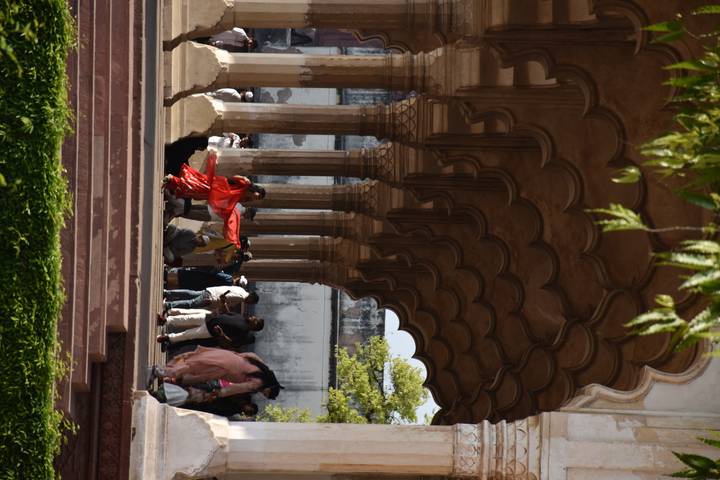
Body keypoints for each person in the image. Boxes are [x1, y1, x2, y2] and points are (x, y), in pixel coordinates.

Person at [163, 151, 265, 247]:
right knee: (194, 187)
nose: (255, 197)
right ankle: (172, 181)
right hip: (218, 190)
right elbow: (233, 179)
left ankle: (172, 186)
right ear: (256, 190)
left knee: (192, 190)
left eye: (258, 198)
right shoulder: (245, 186)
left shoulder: (243, 200)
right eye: (258, 195)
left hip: (215, 197)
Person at [151, 349, 283, 399]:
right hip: (223, 369)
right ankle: (160, 371)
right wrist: (218, 394)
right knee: (193, 368)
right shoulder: (258, 383)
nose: (263, 393)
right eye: (266, 393)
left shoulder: (261, 365)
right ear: (269, 387)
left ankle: (163, 370)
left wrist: (235, 359)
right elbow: (234, 389)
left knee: (194, 365)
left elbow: (249, 354)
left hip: (228, 356)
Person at [157, 311, 263, 348]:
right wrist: (223, 303)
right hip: (209, 318)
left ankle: (167, 338)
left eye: (255, 320)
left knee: (189, 334)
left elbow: (231, 343)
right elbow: (227, 313)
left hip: (210, 331)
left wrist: (221, 334)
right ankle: (166, 320)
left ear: (254, 327)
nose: (253, 317)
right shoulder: (241, 317)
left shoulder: (243, 334)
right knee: (187, 318)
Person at [164, 285, 259, 311]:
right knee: (191, 303)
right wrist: (212, 300)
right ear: (251, 298)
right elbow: (224, 297)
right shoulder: (240, 297)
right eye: (251, 302)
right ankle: (169, 305)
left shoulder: (241, 290)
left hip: (211, 291)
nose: (249, 304)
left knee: (190, 293)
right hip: (211, 298)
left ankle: (168, 293)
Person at [165, 266, 246, 291]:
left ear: (238, 279)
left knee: (184, 275)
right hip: (203, 286)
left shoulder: (229, 278)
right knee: (184, 285)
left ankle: (166, 276)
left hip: (203, 277)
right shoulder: (229, 289)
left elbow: (216, 274)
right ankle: (167, 286)